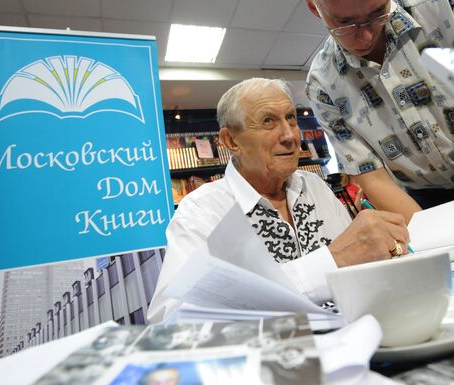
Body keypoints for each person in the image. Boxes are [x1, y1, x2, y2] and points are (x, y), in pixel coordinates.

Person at [147, 77, 409, 323]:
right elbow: (173, 318)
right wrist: (331, 261)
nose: (290, 136)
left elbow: (358, 269)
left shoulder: (315, 187)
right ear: (231, 141)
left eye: (291, 118)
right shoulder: (202, 211)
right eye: (268, 121)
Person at [304, 0, 454, 261]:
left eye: (377, 14)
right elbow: (373, 178)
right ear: (313, 7)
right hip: (427, 209)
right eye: (344, 23)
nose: (364, 35)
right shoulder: (323, 85)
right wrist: (452, 239)